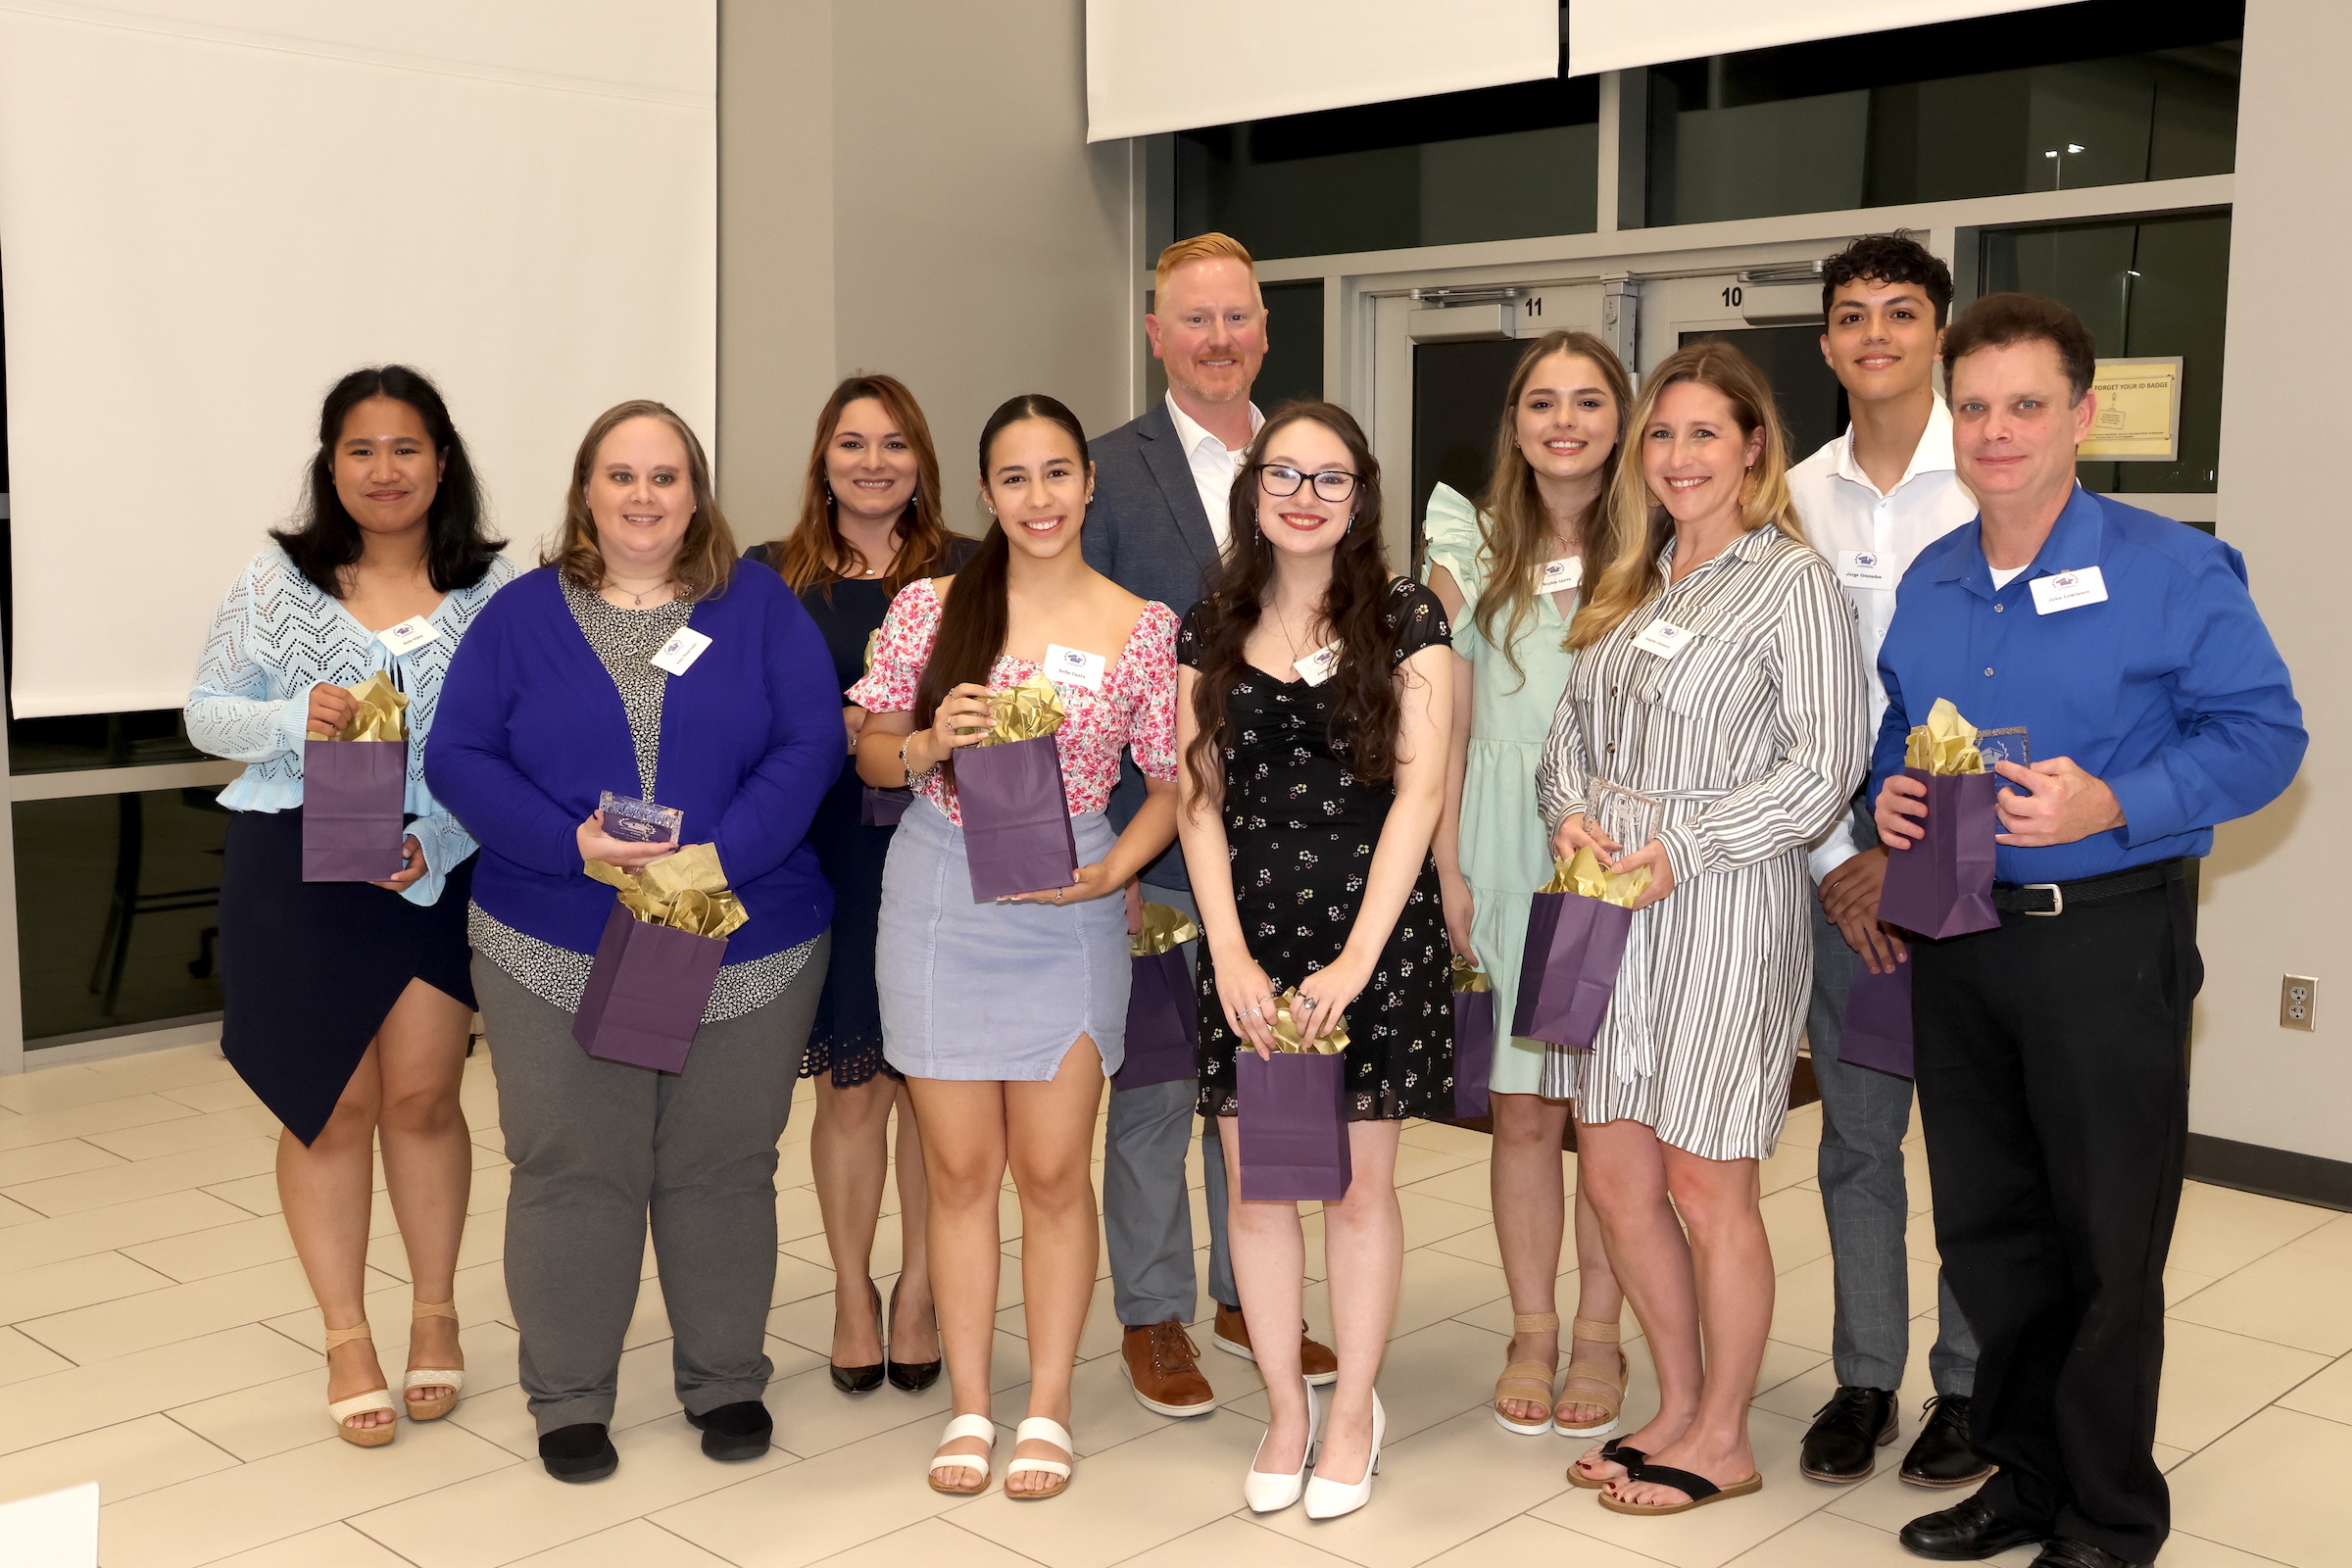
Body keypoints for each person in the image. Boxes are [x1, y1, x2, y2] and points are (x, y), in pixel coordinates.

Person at [1876, 295, 2303, 1568]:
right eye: (1976, 407)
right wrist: (1884, 794)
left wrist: (2118, 799)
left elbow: (2267, 737)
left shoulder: (2173, 570)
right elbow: (1897, 738)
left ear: (2083, 414)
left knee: (2107, 1243)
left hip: (2106, 944)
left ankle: (2111, 1518)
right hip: (1959, 937)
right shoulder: (1932, 579)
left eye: (2026, 405)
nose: (1997, 432)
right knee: (1990, 1232)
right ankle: (2023, 1476)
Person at [426, 400, 839, 1484]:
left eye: (665, 476)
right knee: (573, 1165)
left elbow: (810, 743)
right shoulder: (519, 617)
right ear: (586, 493)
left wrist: (716, 858)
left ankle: (726, 1378)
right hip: (549, 936)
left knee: (722, 1165)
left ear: (695, 492)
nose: (643, 497)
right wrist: (570, 843)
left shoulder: (761, 609)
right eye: (621, 476)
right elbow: (461, 756)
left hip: (744, 936)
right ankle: (567, 1396)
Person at [1538, 342, 1865, 1516]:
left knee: (1706, 1179)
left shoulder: (1795, 584)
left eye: (1703, 435)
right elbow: (1565, 736)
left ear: (1754, 447)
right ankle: (1674, 1403)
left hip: (1721, 900)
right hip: (1601, 902)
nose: (1678, 458)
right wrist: (1569, 813)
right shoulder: (1628, 573)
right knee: (1618, 1175)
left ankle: (1724, 1434)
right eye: (1661, 436)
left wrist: (1688, 845)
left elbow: (1826, 765)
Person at [851, 393, 1180, 1499]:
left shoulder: (1141, 625)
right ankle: (971, 1407)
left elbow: (1177, 786)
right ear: (986, 494)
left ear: (1089, 484)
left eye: (1056, 474)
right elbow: (871, 753)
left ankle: (1045, 1407)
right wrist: (931, 738)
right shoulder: (929, 610)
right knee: (956, 1172)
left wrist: (1115, 868)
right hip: (942, 892)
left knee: (1050, 1170)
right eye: (1014, 478)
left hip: (1067, 899)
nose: (1037, 498)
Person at [187, 366, 514, 1447]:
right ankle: (345, 1338)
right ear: (331, 463)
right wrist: (295, 716)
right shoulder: (279, 578)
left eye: (407, 448)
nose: (385, 470)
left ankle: (433, 1313)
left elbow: (513, 745)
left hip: (434, 866)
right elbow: (205, 713)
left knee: (421, 1098)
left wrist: (444, 838)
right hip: (301, 863)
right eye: (362, 450)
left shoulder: (493, 592)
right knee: (328, 1104)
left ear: (443, 461)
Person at [1177, 401, 1454, 1520]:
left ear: (1361, 497)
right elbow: (1195, 798)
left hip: (1369, 935)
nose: (1304, 495)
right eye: (1283, 474)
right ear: (1253, 492)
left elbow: (1419, 793)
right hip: (1251, 937)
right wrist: (1231, 954)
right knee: (1260, 1185)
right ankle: (1287, 1407)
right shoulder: (1208, 620)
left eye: (1329, 478)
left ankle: (1354, 1413)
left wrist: (1356, 960)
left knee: (1355, 1187)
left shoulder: (1407, 616)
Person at [1083, 231, 1336, 1413]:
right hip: (1155, 845)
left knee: (1268, 1080)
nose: (1219, 340)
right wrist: (1113, 845)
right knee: (1151, 1094)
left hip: (1289, 851)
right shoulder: (1104, 473)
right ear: (1154, 335)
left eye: (1237, 317)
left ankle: (1255, 1293)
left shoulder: (1310, 461)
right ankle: (1155, 1312)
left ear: (1266, 330)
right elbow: (1076, 668)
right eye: (1195, 320)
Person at [1786, 235, 1987, 1488]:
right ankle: (1866, 1377)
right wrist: (1834, 857)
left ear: (1940, 333)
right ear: (1825, 342)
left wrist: (1910, 864)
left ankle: (1966, 1390)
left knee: (1970, 1142)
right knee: (1857, 1136)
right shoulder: (1791, 495)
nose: (1874, 336)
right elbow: (1775, 700)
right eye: (1851, 316)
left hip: (1966, 868)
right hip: (1829, 863)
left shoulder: (1995, 480)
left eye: (1899, 313)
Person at [1421, 329, 1636, 1442]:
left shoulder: (1665, 538)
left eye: (1589, 400)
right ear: (1515, 423)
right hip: (1503, 850)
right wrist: (1448, 861)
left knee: (1606, 1115)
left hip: (1616, 856)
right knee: (1520, 1111)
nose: (1565, 420)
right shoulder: (1470, 537)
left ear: (1621, 416)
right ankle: (1535, 1327)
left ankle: (1602, 1331)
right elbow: (1447, 722)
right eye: (1543, 401)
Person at [745, 374, 976, 1396]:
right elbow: (736, 708)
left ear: (920, 457)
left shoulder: (977, 570)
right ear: (822, 458)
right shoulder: (767, 575)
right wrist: (818, 735)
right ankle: (851, 1294)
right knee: (850, 1088)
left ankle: (921, 1292)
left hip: (943, 849)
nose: (873, 461)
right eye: (852, 443)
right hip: (820, 851)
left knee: (936, 1095)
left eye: (893, 443)